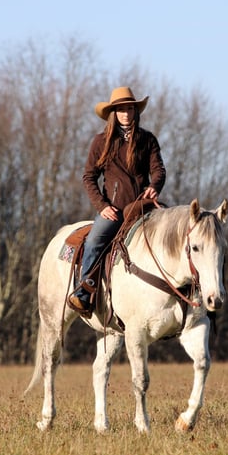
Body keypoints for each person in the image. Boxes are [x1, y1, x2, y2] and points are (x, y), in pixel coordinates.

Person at [67, 86, 167, 315]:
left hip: (143, 206)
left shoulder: (147, 140)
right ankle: (84, 292)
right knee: (94, 241)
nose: (126, 113)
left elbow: (158, 170)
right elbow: (89, 177)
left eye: (130, 108)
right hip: (115, 210)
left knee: (172, 233)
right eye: (121, 109)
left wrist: (154, 187)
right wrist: (102, 206)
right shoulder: (101, 141)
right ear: (113, 113)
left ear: (135, 111)